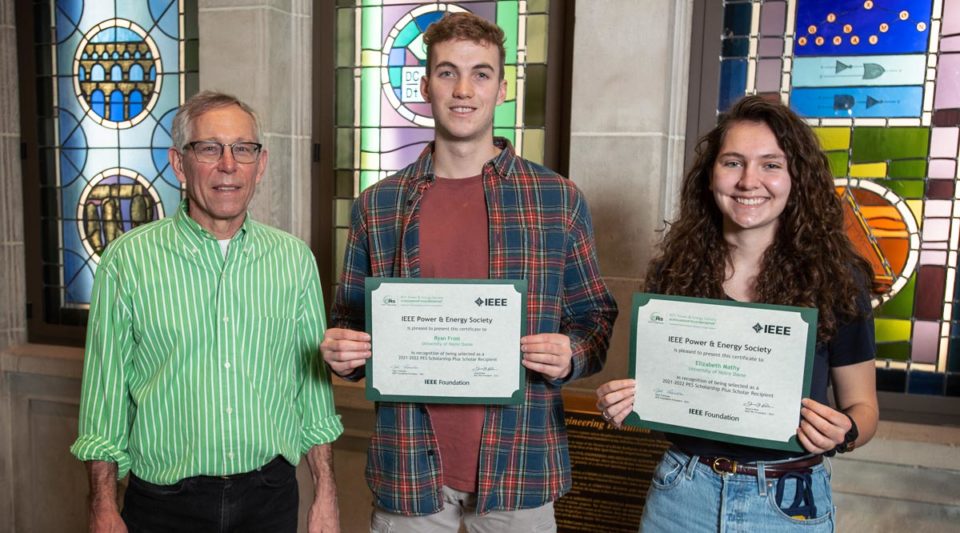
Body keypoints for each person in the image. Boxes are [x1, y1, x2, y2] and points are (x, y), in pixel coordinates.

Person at [320, 12, 617, 532]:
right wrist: (343, 354)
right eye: (446, 72)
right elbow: (351, 324)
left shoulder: (555, 199)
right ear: (425, 85)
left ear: (502, 89)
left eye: (481, 73)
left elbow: (595, 316)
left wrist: (571, 353)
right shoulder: (378, 206)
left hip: (520, 466)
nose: (464, 89)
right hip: (410, 471)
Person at [596, 95, 878, 532]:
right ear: (711, 177)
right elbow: (657, 388)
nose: (749, 181)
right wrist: (623, 401)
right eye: (733, 162)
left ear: (796, 178)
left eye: (770, 164)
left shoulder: (838, 279)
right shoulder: (675, 274)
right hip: (681, 493)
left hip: (787, 501)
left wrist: (847, 431)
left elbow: (865, 408)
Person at [71, 91, 344, 533]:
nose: (229, 165)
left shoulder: (294, 260)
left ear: (262, 162)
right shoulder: (128, 261)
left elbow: (312, 396)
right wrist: (103, 506)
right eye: (209, 148)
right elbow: (104, 402)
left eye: (243, 149)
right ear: (180, 163)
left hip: (270, 499)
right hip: (164, 505)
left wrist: (326, 495)